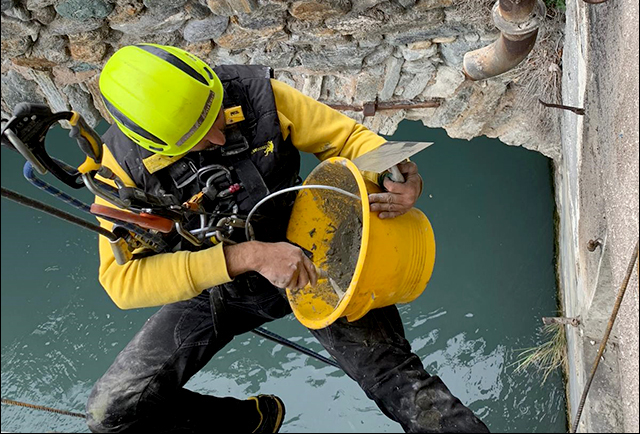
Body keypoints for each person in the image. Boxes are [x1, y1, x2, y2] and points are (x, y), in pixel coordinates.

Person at [85, 43, 489, 433]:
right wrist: (249, 256)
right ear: (156, 146)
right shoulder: (120, 175)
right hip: (218, 281)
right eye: (200, 137)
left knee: (403, 385)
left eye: (217, 117)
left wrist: (389, 170)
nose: (219, 138)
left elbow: (348, 141)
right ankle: (247, 424)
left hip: (316, 245)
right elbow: (121, 282)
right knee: (112, 411)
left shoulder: (260, 96)